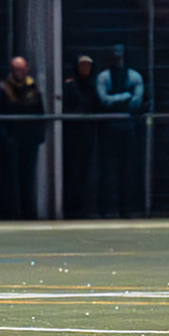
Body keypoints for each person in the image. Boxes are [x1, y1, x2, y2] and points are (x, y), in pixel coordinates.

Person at [95, 44, 145, 217]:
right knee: (108, 172)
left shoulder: (133, 76)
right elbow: (104, 101)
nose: (117, 59)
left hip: (127, 129)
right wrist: (124, 96)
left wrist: (115, 100)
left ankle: (125, 210)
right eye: (114, 56)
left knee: (126, 172)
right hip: (108, 130)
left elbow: (136, 104)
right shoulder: (103, 77)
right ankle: (106, 209)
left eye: (119, 56)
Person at [0, 55, 44, 220]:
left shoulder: (33, 87)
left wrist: (39, 136)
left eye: (23, 68)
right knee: (10, 177)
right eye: (17, 68)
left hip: (29, 140)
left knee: (28, 176)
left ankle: (28, 211)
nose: (20, 72)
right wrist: (5, 137)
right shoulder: (4, 88)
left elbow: (40, 112)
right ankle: (10, 212)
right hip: (11, 139)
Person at [61, 54, 100, 218]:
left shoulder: (92, 85)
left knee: (86, 171)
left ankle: (85, 207)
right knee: (73, 171)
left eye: (88, 65)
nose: (85, 69)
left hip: (88, 135)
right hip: (73, 135)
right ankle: (71, 208)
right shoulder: (70, 85)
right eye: (82, 65)